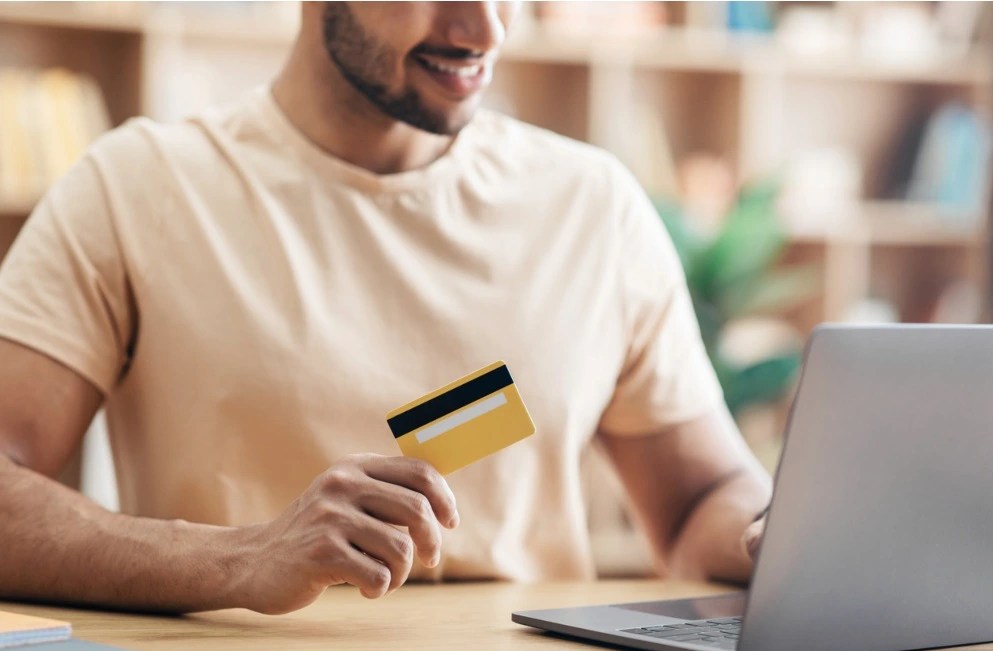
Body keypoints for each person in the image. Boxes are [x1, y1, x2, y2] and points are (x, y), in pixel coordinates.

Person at [0, 1, 770, 615]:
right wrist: (240, 557)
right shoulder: (137, 187)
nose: (484, 28)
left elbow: (700, 499)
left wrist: (783, 537)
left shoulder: (593, 206)